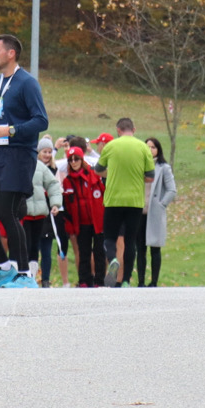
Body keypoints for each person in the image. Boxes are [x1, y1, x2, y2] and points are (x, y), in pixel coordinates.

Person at [0, 35, 49, 287]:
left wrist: (9, 131)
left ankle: (25, 275)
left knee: (7, 211)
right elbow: (3, 117)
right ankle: (5, 268)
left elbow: (41, 121)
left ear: (11, 54)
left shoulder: (27, 83)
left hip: (19, 155)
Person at [97, 119, 152, 287]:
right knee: (130, 241)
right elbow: (150, 176)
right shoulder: (143, 147)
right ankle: (127, 280)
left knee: (109, 237)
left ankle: (113, 259)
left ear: (118, 130)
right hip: (134, 201)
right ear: (133, 129)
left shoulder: (110, 146)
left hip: (113, 199)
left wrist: (112, 174)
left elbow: (98, 170)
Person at [59, 144, 105, 286]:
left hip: (97, 221)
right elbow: (67, 204)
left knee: (99, 253)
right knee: (83, 253)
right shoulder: (68, 181)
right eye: (71, 160)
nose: (73, 162)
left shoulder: (93, 175)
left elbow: (103, 194)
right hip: (81, 223)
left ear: (81, 159)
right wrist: (70, 224)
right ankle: (84, 280)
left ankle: (99, 280)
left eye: (76, 159)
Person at [24, 141, 63, 284]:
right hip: (24, 212)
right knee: (25, 245)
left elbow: (53, 185)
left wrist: (55, 203)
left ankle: (32, 277)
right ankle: (23, 274)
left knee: (34, 246)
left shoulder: (41, 168)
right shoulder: (20, 166)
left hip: (40, 213)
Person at [139, 137, 177, 286]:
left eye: (153, 147)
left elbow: (172, 190)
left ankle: (153, 281)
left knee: (155, 248)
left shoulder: (163, 168)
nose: (150, 150)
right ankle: (140, 281)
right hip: (139, 212)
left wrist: (161, 204)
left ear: (158, 150)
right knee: (139, 249)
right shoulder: (139, 165)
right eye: (147, 147)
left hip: (154, 211)